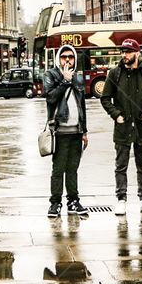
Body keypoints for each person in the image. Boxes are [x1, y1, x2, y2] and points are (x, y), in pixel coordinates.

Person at [100, 38, 142, 216]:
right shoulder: (115, 74)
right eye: (123, 52)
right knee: (121, 166)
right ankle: (121, 199)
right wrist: (116, 115)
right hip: (123, 129)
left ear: (137, 53)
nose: (124, 55)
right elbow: (105, 98)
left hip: (141, 128)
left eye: (128, 52)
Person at [44, 44, 88, 218]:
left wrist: (84, 131)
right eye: (64, 57)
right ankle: (55, 203)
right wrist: (65, 81)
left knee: (72, 168)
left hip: (76, 131)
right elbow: (50, 97)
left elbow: (82, 106)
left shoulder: (78, 78)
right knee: (58, 169)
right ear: (58, 58)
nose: (68, 60)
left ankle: (73, 201)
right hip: (60, 131)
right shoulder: (51, 75)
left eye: (70, 57)